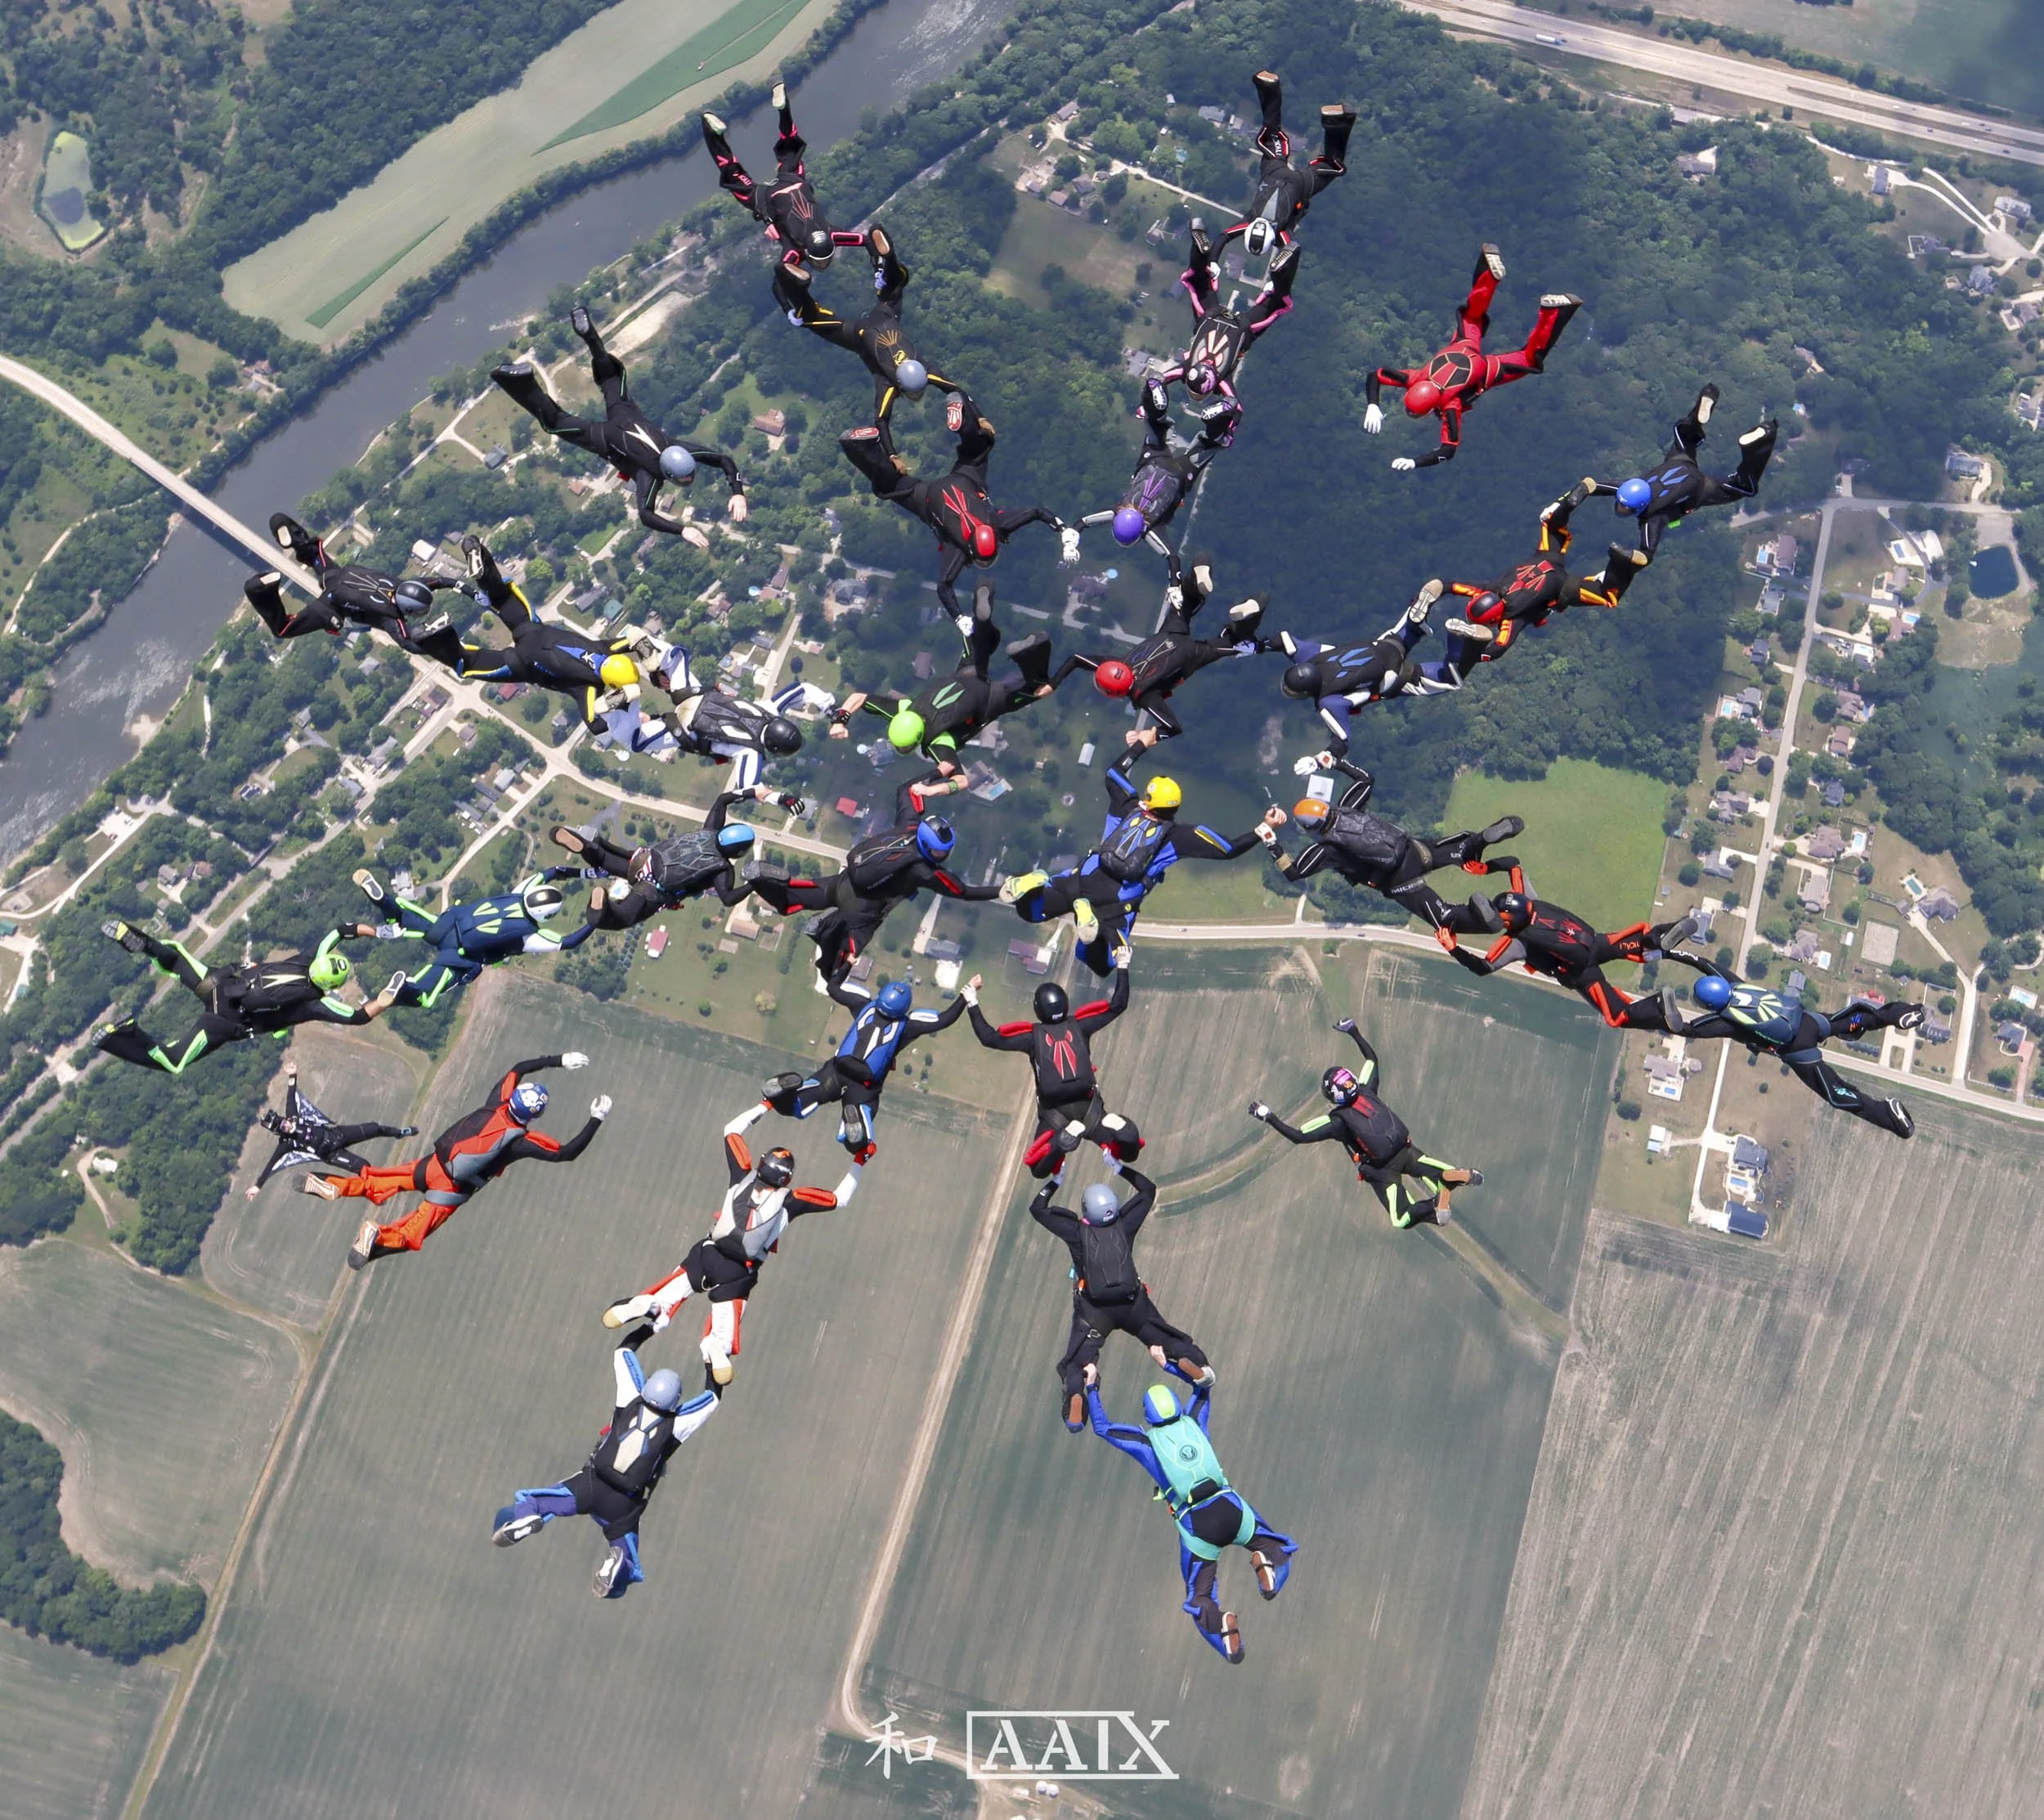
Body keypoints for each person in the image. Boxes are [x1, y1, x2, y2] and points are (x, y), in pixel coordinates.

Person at [599, 1115, 860, 1387]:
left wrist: (766, 1104)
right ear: (787, 1177)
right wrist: (860, 1160)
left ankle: (649, 1303)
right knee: (724, 1330)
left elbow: (730, 1130)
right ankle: (715, 1346)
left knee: (667, 1301)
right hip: (737, 1271)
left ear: (762, 1163)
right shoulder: (791, 1200)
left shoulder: (741, 1175)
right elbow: (840, 1199)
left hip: (706, 1253)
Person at [298, 1054, 608, 1268]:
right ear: (535, 1115)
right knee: (411, 1235)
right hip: (452, 1189)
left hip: (433, 1163)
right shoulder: (520, 1142)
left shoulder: (496, 1101)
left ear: (514, 1097)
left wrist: (559, 1061)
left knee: (380, 1179)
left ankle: (335, 1186)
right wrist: (596, 1118)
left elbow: (519, 1068)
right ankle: (377, 1234)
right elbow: (567, 1153)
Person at [491, 1324, 719, 1598]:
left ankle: (526, 1518)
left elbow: (624, 1350)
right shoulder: (678, 1423)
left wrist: (651, 1325)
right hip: (624, 1506)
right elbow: (712, 1397)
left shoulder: (631, 1395)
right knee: (629, 1563)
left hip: (591, 1484)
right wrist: (713, 1359)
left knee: (534, 1502)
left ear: (648, 1387)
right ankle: (618, 1562)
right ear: (675, 1401)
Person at [1087, 1369, 1295, 1664]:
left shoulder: (1146, 1443)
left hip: (1198, 1526)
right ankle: (1270, 1572)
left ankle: (1224, 1633)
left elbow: (1102, 1427)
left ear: (1147, 1416)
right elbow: (1204, 1383)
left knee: (1200, 1600)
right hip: (1231, 1508)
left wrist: (1092, 1386)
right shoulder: (1194, 1419)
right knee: (1279, 1548)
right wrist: (1175, 1364)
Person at [1005, 759, 1282, 976]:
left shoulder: (1129, 807)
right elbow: (1229, 849)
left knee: (1027, 910)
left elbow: (1114, 773)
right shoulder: (1179, 836)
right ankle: (1088, 921)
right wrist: (1264, 829)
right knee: (1102, 964)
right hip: (1115, 903)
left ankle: (1036, 880)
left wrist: (1144, 742)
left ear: (1149, 799)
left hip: (1080, 879)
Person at [491, 306, 746, 535]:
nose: (689, 478)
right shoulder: (650, 476)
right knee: (554, 422)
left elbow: (723, 460)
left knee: (611, 375)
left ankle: (588, 333)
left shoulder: (677, 447)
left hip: (626, 413)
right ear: (669, 473)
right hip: (604, 438)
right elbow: (647, 516)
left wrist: (738, 492)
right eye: (686, 477)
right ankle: (521, 381)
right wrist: (683, 530)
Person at [410, 535, 679, 747]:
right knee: (468, 663)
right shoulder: (587, 688)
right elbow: (595, 724)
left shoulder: (605, 650)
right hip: (521, 664)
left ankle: (480, 563)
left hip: (532, 631)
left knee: (501, 596)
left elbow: (636, 639)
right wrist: (629, 707)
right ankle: (439, 634)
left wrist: (654, 670)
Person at [747, 779, 1004, 984]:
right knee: (842, 960)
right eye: (940, 851)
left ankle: (765, 882)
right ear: (930, 847)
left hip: (844, 881)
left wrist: (939, 772)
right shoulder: (925, 871)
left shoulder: (910, 825)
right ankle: (825, 933)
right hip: (865, 911)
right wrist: (1001, 891)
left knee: (796, 896)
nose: (944, 855)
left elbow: (907, 790)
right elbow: (964, 891)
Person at [838, 390, 1063, 614]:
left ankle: (962, 418)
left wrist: (1062, 529)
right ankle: (857, 445)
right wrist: (959, 618)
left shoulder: (998, 524)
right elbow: (943, 587)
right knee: (890, 486)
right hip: (928, 499)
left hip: (963, 481)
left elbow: (1036, 513)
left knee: (981, 447)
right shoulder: (958, 549)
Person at [1364, 245, 1582, 469]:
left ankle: (1554, 312)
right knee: (1472, 315)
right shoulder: (1415, 378)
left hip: (1486, 370)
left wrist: (1413, 462)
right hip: (1462, 346)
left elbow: (1448, 450)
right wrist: (1372, 404)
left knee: (1529, 360)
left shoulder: (1450, 404)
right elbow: (1376, 375)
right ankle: (1489, 273)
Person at [1412, 487, 1652, 690]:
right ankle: (1570, 502)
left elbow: (1499, 648)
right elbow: (1448, 585)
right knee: (1551, 525)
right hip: (1546, 559)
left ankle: (1620, 563)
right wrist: (1430, 596)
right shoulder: (1485, 589)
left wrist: (1473, 656)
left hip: (1562, 588)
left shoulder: (1511, 619)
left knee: (1607, 596)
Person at [94, 918, 401, 1077]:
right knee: (173, 1062)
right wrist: (384, 1000)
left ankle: (140, 941)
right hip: (224, 1021)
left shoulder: (308, 957)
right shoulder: (316, 1003)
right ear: (332, 984)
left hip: (220, 982)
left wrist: (377, 932)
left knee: (174, 958)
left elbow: (341, 930)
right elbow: (358, 1017)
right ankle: (122, 1033)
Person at [1632, 971, 1920, 1138]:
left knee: (1837, 1094)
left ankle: (1888, 1115)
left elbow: (1691, 1029)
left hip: (1800, 1053)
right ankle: (1903, 1013)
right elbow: (1704, 963)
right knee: (1858, 1020)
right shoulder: (1736, 984)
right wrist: (1672, 949)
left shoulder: (1728, 1021)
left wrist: (1659, 1013)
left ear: (1709, 1004)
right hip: (1811, 1022)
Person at [1249, 1019, 1480, 1228]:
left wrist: (1268, 1116)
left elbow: (1298, 1136)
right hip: (1406, 1149)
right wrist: (1353, 1031)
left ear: (1332, 1096)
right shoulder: (1366, 1089)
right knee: (1437, 1179)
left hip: (1382, 1169)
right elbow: (1371, 1059)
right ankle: (1447, 1175)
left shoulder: (1337, 1121)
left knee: (1401, 1218)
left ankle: (1433, 1206)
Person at [1031, 1167, 1209, 1429]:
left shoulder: (1076, 1232)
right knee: (1166, 1339)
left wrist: (1055, 1182)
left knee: (1076, 1363)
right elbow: (1148, 1189)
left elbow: (1038, 1209)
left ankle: (1077, 1395)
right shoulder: (1125, 1224)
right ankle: (1195, 1364)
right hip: (1133, 1306)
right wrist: (1120, 1167)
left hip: (1095, 1314)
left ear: (1086, 1211)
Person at [827, 582, 1057, 780]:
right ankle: (982, 615)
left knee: (1034, 688)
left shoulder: (937, 742)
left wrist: (930, 783)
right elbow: (859, 697)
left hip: (988, 701)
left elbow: (960, 779)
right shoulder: (904, 709)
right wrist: (840, 720)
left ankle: (1034, 649)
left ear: (916, 738)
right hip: (965, 675)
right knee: (980, 642)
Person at [1266, 757, 1522, 935]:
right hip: (1414, 850)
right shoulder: (1348, 805)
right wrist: (1331, 763)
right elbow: (1367, 779)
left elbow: (1293, 873)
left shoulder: (1326, 850)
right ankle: (1478, 840)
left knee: (1443, 916)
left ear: (1310, 828)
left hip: (1397, 881)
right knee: (1460, 850)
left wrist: (1271, 842)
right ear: (1323, 806)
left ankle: (1487, 922)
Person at [1049, 558, 1275, 748]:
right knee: (1186, 602)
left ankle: (1253, 608)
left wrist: (1146, 737)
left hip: (1191, 655)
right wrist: (1052, 684)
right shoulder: (1118, 662)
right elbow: (1076, 659)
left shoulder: (1145, 696)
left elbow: (1173, 728)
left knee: (1233, 641)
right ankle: (1196, 577)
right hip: (1170, 635)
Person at [1439, 872, 1697, 1028]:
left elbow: (1484, 967)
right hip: (1596, 942)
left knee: (1618, 1016)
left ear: (1510, 922)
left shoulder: (1518, 942)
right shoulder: (1532, 900)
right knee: (1640, 944)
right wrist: (1486, 862)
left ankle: (1658, 1004)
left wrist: (1453, 949)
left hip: (1581, 973)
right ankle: (1660, 936)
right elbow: (1514, 864)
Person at [755, 976, 966, 1161]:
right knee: (857, 1141)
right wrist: (966, 995)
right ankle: (853, 1119)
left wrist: (848, 963)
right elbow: (945, 1019)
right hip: (864, 1088)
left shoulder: (863, 1005)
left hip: (835, 1073)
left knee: (796, 1106)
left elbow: (833, 988)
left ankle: (785, 1086)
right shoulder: (908, 1026)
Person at [963, 966, 1142, 1179]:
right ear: (1065, 1004)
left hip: (1055, 1113)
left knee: (1038, 1169)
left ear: (1038, 1010)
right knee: (1129, 1153)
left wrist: (972, 1001)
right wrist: (1123, 966)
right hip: (1090, 1107)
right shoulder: (1081, 1026)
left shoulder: (1032, 1037)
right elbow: (1118, 1005)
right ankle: (1124, 1128)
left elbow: (990, 1038)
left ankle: (1063, 1143)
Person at [1560, 384, 1779, 558]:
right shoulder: (1632, 486)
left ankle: (1764, 439)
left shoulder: (1652, 517)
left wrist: (1624, 557)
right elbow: (1593, 485)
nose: (1621, 507)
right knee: (1683, 435)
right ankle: (1706, 402)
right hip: (1679, 463)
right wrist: (1572, 500)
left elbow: (1646, 553)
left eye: (1625, 507)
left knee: (1744, 488)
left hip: (1699, 489)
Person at [551, 786, 799, 933]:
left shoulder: (709, 830)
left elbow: (723, 799)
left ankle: (586, 843)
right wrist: (754, 883)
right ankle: (602, 905)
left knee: (603, 859)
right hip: (654, 889)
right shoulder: (723, 871)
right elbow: (728, 899)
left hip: (644, 859)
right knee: (617, 919)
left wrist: (754, 792)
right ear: (738, 852)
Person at [773, 222, 955, 424]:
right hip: (872, 328)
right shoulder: (893, 381)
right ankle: (888, 260)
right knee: (893, 284)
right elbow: (866, 238)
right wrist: (878, 266)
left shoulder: (914, 371)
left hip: (876, 325)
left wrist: (787, 308)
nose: (823, 265)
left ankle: (800, 286)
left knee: (811, 316)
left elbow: (947, 386)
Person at [1067, 379, 1239, 587]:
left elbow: (1172, 558)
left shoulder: (1150, 531)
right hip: (1153, 460)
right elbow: (1083, 522)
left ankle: (1220, 416)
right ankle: (1153, 397)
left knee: (1207, 445)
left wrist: (1174, 589)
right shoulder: (1117, 511)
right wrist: (1071, 540)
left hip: (1180, 476)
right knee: (1154, 425)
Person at [353, 864, 597, 1010]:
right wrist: (597, 920)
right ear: (547, 915)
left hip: (449, 924)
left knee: (407, 918)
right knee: (426, 996)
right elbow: (569, 942)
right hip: (460, 955)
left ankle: (384, 900)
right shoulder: (529, 935)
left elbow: (552, 872)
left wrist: (587, 873)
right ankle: (406, 987)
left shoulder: (519, 892)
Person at [702, 82, 867, 273]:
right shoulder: (795, 251)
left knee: (791, 148)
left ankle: (783, 108)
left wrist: (881, 257)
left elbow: (866, 239)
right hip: (767, 200)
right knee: (733, 174)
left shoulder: (833, 234)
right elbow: (783, 268)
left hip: (796, 184)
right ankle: (711, 130)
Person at [1277, 581, 1446, 760]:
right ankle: (1416, 620)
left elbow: (1342, 740)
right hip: (1381, 648)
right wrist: (1252, 645)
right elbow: (1284, 641)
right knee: (1404, 635)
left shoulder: (1328, 701)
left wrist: (1322, 760)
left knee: (1450, 680)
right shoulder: (1311, 658)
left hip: (1390, 678)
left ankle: (1467, 649)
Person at [243, 513, 465, 649]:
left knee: (313, 555)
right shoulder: (391, 618)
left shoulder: (400, 585)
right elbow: (408, 642)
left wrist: (457, 585)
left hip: (338, 577)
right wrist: (436, 641)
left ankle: (289, 528)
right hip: (331, 607)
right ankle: (257, 591)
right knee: (284, 629)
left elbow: (433, 581)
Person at [1154, 228, 1299, 410]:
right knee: (1199, 282)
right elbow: (1157, 379)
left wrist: (1226, 428)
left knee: (1278, 301)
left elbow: (1236, 408)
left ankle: (1285, 267)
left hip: (1243, 328)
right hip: (1210, 316)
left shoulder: (1222, 382)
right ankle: (1200, 253)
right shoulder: (1187, 368)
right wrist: (1147, 404)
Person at [1220, 69, 1353, 256]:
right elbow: (1222, 237)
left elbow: (1291, 251)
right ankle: (1269, 88)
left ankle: (1338, 122)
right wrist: (1209, 261)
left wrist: (1278, 273)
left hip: (1299, 186)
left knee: (1331, 166)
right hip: (1273, 172)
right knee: (1272, 136)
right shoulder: (1249, 221)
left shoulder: (1280, 234)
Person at [245, 1058, 415, 1198]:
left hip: (338, 1134)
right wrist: (257, 1186)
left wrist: (292, 1075)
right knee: (365, 1168)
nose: (287, 1124)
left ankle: (399, 1133)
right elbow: (271, 1164)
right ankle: (375, 1193)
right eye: (283, 1126)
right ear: (279, 1131)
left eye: (284, 1121)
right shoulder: (287, 1144)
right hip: (333, 1154)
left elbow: (291, 1095)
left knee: (374, 1128)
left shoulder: (293, 1116)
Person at [652, 650, 809, 789]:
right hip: (685, 730)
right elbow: (747, 789)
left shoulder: (769, 709)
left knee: (675, 655)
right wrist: (775, 797)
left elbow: (801, 689)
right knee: (636, 741)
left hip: (697, 697)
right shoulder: (751, 752)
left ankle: (650, 660)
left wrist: (833, 711)